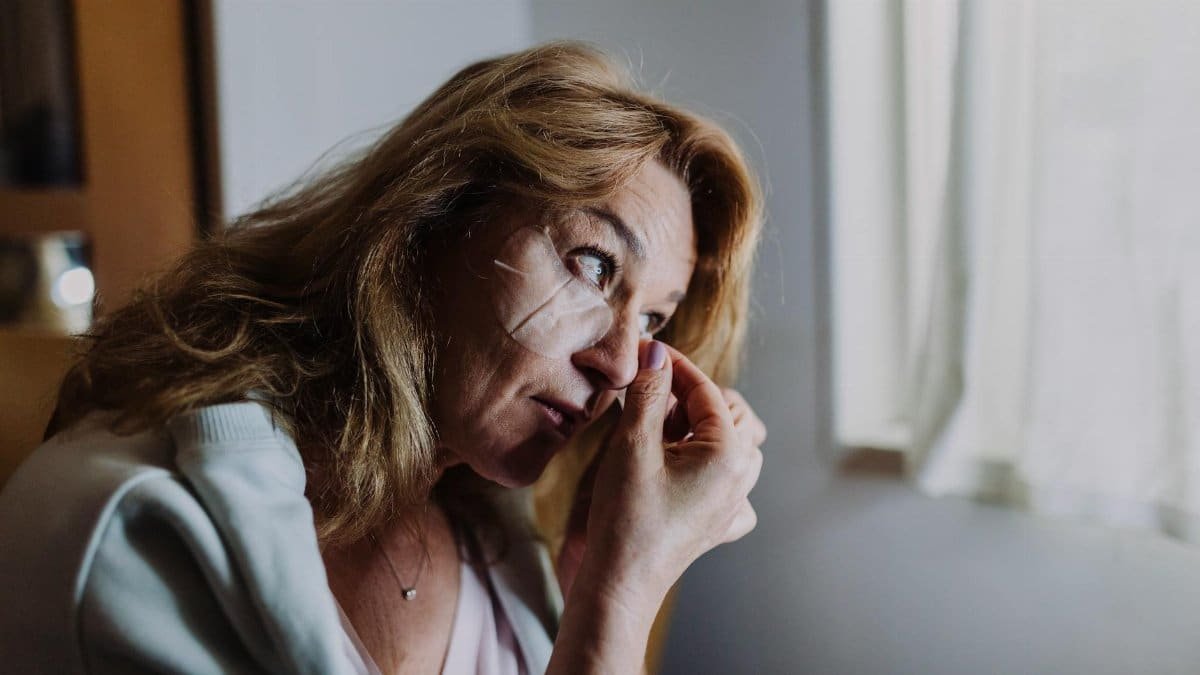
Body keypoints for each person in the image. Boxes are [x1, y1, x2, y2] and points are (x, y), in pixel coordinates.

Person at [0, 41, 766, 674]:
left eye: (656, 320)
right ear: (432, 216)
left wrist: (584, 582)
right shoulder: (136, 528)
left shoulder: (495, 545)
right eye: (595, 265)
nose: (626, 366)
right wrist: (620, 597)